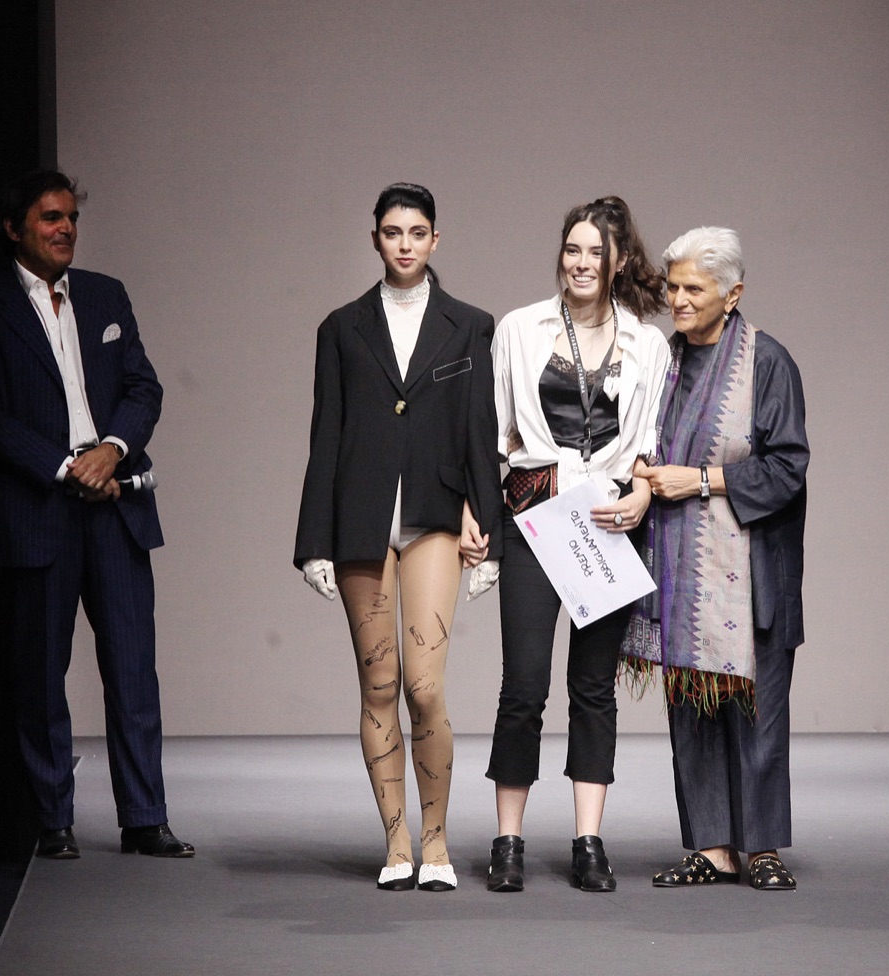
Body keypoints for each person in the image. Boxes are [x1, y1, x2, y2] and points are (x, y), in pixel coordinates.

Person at [0, 170, 192, 859]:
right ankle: (52, 820)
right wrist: (66, 467)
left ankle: (144, 818)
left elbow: (144, 387)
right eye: (50, 218)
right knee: (40, 675)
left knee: (133, 669)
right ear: (14, 229)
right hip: (38, 512)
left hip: (116, 507)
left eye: (71, 218)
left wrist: (110, 452)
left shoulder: (105, 294)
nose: (65, 230)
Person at [294, 183, 498, 892]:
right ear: (375, 239)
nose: (404, 244)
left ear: (436, 239)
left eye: (416, 232)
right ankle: (398, 841)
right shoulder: (341, 328)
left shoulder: (470, 326)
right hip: (361, 515)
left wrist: (489, 526)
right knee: (378, 683)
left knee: (424, 685)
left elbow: (479, 429)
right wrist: (313, 539)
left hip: (435, 514)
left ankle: (437, 841)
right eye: (392, 232)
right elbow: (326, 435)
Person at [485, 196, 669, 892]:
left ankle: (588, 840)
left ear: (618, 262)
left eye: (596, 252)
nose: (582, 263)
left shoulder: (647, 344)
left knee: (593, 690)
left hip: (608, 525)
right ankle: (508, 840)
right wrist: (482, 512)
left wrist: (643, 493)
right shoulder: (519, 329)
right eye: (572, 249)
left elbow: (648, 444)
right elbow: (498, 434)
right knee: (523, 685)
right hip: (536, 519)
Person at [626, 227, 809, 891]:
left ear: (732, 295)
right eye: (673, 286)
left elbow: (787, 468)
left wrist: (701, 481)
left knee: (759, 712)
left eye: (693, 289)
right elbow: (633, 442)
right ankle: (712, 847)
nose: (677, 299)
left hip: (752, 573)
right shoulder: (659, 363)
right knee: (691, 713)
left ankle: (761, 849)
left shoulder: (768, 362)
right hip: (675, 571)